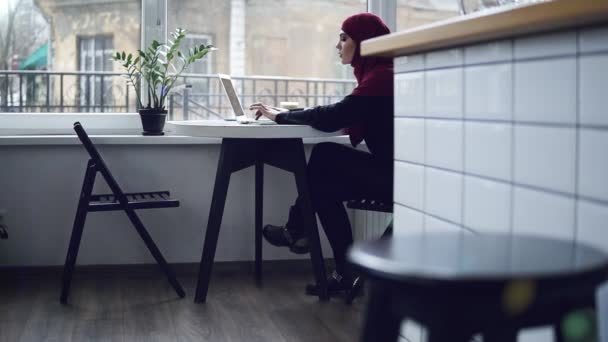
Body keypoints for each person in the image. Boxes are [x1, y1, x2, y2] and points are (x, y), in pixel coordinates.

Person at [249, 12, 393, 296]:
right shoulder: (381, 75)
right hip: (394, 170)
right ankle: (341, 271)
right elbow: (340, 114)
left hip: (401, 178)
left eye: (344, 38)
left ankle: (298, 230)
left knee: (325, 159)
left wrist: (281, 117)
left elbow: (332, 117)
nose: (338, 45)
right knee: (323, 181)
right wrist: (289, 115)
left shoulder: (383, 78)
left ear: (364, 42)